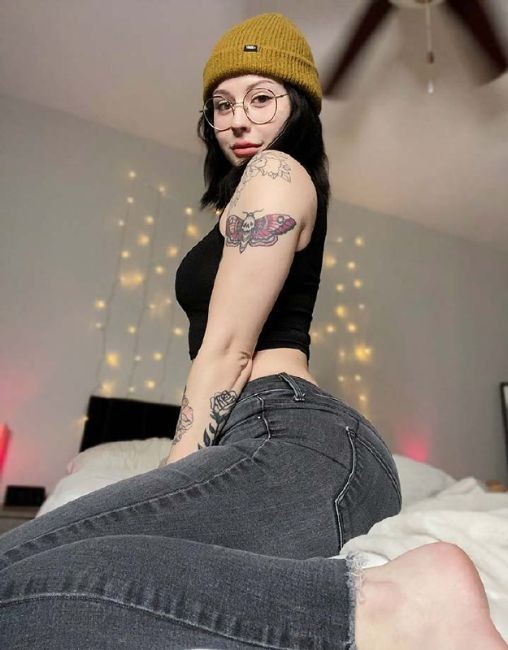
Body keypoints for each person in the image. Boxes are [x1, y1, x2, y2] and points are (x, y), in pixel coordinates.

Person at [0, 12, 505, 649]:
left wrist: (167, 481)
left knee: (15, 577)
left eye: (261, 97)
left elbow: (228, 349)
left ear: (297, 107)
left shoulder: (276, 174)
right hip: (317, 460)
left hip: (293, 436)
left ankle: (385, 612)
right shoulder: (248, 195)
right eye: (222, 104)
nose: (238, 119)